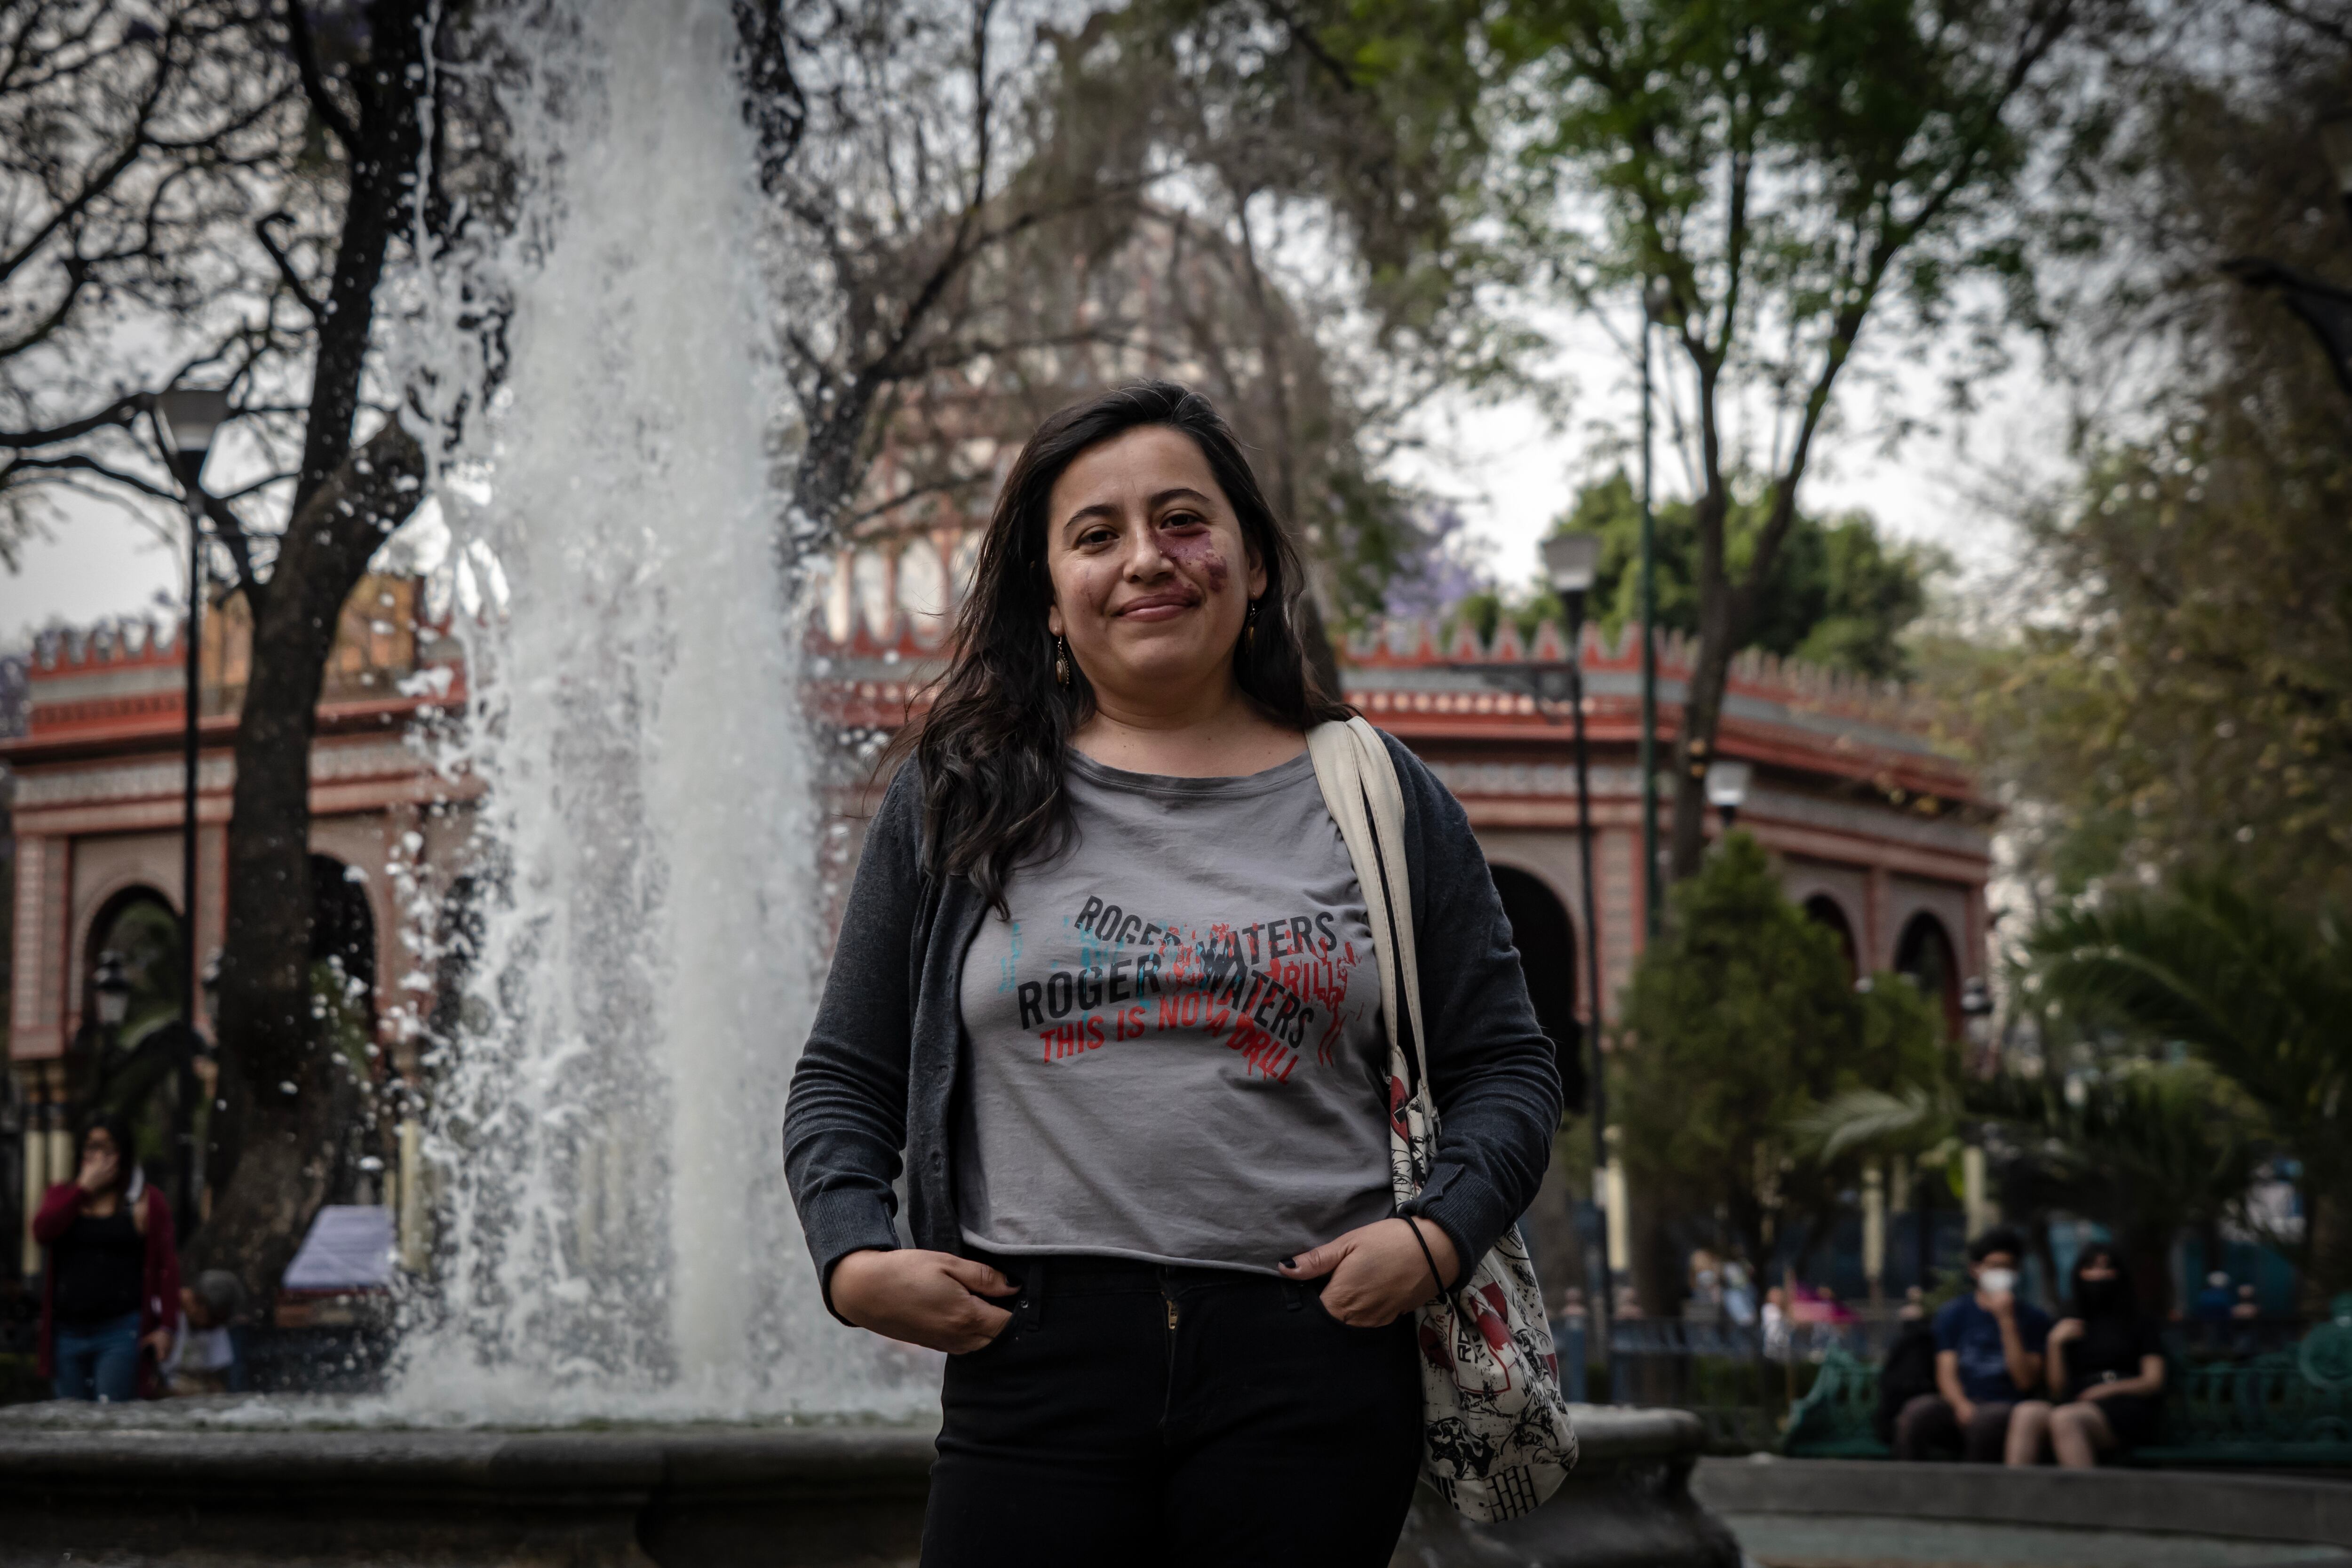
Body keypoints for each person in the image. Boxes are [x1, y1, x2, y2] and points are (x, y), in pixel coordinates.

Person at [782, 381, 1559, 1568]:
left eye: (1184, 522)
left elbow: (1507, 1066)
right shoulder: (960, 796)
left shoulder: (1378, 796)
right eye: (1096, 535)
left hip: (1312, 1357)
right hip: (1033, 1360)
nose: (1148, 560)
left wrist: (1439, 1238)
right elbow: (847, 1070)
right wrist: (852, 1256)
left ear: (1253, 566)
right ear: (1048, 599)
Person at [32, 1115, 180, 1401]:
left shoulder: (145, 1201)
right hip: (67, 1333)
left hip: (120, 1331)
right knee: (70, 1421)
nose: (98, 1158)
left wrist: (167, 1327)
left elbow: (167, 1268)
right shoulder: (62, 1196)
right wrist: (82, 1190)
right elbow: (42, 1230)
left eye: (108, 1150)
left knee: (111, 1416)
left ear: (122, 1155)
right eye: (91, 1148)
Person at [1892, 1228, 2051, 1462]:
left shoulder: (2034, 1319)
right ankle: (1907, 1488)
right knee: (1916, 1413)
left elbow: (2025, 1381)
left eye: (2008, 1266)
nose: (2001, 1273)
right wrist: (1961, 1405)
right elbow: (1946, 1371)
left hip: (2007, 1406)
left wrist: (2007, 1321)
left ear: (2017, 1270)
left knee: (1984, 1424)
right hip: (1962, 1401)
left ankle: (1975, 1496)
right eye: (1993, 1266)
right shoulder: (1954, 1314)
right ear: (1975, 1270)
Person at [2004, 1247, 2166, 1467]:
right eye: (2090, 1268)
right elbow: (2057, 1390)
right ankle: (2013, 1498)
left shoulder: (2139, 1321)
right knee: (2027, 1413)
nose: (2099, 1275)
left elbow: (2153, 1381)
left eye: (2107, 1267)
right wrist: (2055, 1344)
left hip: (2125, 1404)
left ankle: (2086, 1500)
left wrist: (2105, 1390)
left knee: (2066, 1419)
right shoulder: (2068, 1321)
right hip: (2076, 1401)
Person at [161, 1270, 249, 1397]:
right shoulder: (165, 1312)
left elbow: (215, 1378)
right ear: (201, 1302)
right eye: (217, 1318)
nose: (217, 1325)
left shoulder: (214, 1329)